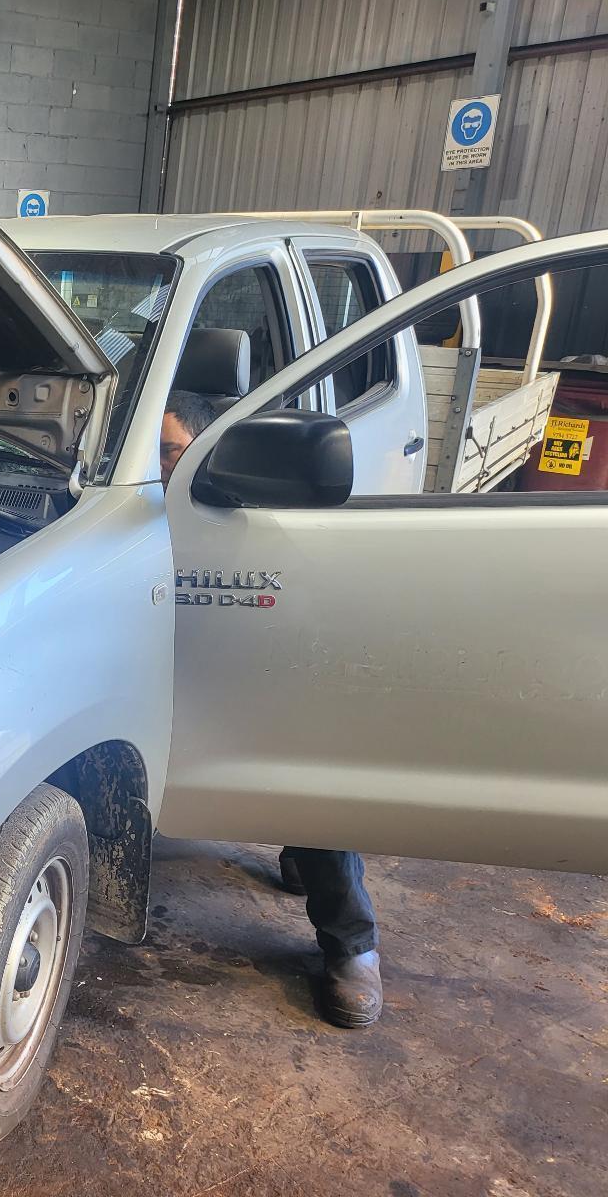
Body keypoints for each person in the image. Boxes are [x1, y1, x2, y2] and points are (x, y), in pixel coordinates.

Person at [161, 391, 384, 1028]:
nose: (158, 470)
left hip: (255, 668)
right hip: (151, 672)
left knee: (306, 766)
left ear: (211, 455)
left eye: (171, 454)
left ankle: (352, 943)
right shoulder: (115, 507)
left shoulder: (256, 516)